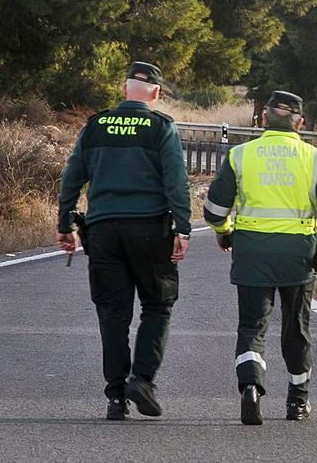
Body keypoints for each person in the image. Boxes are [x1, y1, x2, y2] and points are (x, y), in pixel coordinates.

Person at [204, 90, 317, 426]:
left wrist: (224, 231)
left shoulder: (240, 156)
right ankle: (297, 401)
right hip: (298, 257)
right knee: (296, 329)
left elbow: (214, 209)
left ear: (264, 119)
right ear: (300, 122)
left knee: (251, 325)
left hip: (251, 253)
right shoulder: (315, 159)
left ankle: (250, 385)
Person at [56, 61, 191, 421]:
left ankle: (116, 397)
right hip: (149, 229)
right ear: (156, 94)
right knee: (158, 306)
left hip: (102, 230)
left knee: (113, 314)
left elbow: (72, 176)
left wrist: (64, 222)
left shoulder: (96, 125)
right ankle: (142, 379)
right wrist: (183, 227)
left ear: (122, 89)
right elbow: (176, 180)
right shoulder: (160, 127)